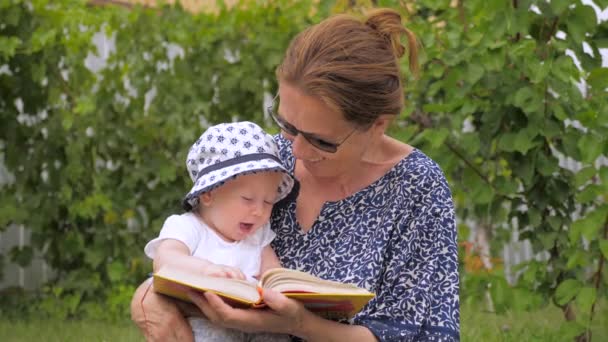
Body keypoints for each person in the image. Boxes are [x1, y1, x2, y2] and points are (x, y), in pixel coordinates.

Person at [131, 7, 460, 342]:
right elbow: (200, 244)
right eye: (288, 125)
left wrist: (298, 325)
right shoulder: (264, 162)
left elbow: (420, 334)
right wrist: (147, 295)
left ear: (377, 126)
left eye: (321, 141)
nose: (297, 152)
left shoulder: (417, 187)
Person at [143, 121, 294, 342]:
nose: (259, 211)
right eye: (247, 199)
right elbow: (165, 261)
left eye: (269, 201)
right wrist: (207, 270)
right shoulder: (188, 227)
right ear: (208, 194)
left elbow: (273, 272)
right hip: (205, 319)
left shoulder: (258, 235)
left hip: (257, 322)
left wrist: (284, 286)